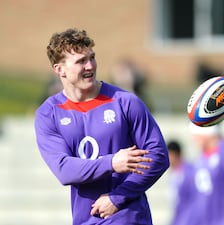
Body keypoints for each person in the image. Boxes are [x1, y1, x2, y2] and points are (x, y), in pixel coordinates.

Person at [34, 28, 169, 225]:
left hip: (128, 218)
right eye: (81, 61)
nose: (90, 66)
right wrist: (112, 163)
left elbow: (158, 155)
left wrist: (118, 197)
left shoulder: (126, 102)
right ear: (59, 69)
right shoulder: (48, 114)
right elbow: (64, 169)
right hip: (85, 220)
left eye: (92, 58)